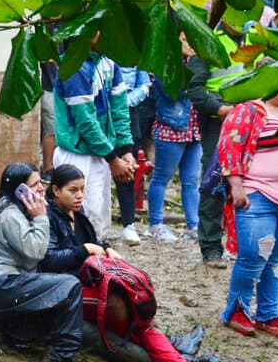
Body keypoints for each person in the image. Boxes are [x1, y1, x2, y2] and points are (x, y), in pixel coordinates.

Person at [40, 165, 227, 362]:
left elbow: (97, 243)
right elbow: (49, 259)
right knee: (130, 315)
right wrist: (86, 249)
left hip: (88, 284)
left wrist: (107, 249)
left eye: (82, 189)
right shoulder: (48, 218)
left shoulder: (78, 215)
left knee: (135, 310)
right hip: (66, 290)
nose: (80, 195)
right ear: (55, 190)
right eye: (73, 190)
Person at [0, 163, 84, 362]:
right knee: (70, 285)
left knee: (51, 301)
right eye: (35, 184)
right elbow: (35, 254)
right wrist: (40, 218)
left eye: (40, 182)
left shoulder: (0, 206)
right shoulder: (10, 214)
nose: (41, 188)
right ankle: (60, 356)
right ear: (19, 190)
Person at [218, 90, 278, 339]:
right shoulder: (247, 110)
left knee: (275, 259)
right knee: (253, 256)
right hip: (257, 195)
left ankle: (269, 312)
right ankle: (237, 310)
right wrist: (236, 186)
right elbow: (229, 147)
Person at [53, 41, 135, 239]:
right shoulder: (74, 66)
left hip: (102, 153)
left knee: (100, 216)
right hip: (77, 153)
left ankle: (96, 263)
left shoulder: (109, 62)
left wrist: (125, 150)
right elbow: (85, 120)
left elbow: (120, 108)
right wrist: (113, 158)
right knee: (82, 217)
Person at [185, 8, 245, 269]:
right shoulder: (210, 42)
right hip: (218, 124)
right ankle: (211, 247)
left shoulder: (256, 41)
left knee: (249, 182)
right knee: (215, 183)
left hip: (249, 124)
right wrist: (219, 108)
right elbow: (194, 90)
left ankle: (243, 244)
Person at [146, 56, 202, 242]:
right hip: (171, 127)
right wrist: (194, 78)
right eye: (185, 38)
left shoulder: (199, 62)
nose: (190, 43)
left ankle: (194, 226)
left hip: (194, 129)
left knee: (191, 180)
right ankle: (155, 224)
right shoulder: (166, 62)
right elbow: (171, 93)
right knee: (161, 177)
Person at [113, 65, 151, 245]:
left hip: (128, 112)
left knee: (128, 169)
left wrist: (122, 101)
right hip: (100, 109)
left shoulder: (136, 53)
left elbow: (144, 86)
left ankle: (129, 225)